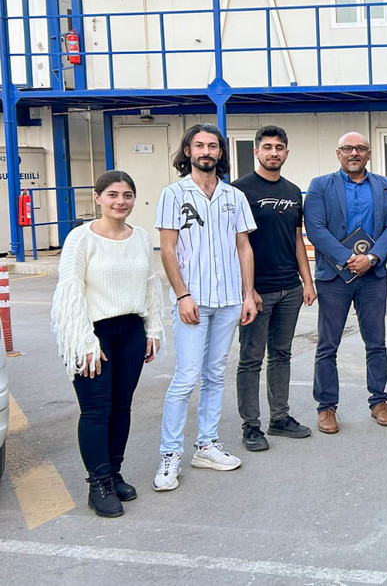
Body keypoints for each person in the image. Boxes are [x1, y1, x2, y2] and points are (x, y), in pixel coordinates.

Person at [51, 171, 163, 517]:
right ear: (98, 197)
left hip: (131, 330)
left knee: (121, 406)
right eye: (112, 194)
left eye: (127, 195)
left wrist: (152, 328)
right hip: (93, 333)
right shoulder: (80, 238)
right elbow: (70, 292)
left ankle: (114, 473)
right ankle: (98, 484)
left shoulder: (140, 237)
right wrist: (85, 341)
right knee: (96, 410)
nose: (120, 202)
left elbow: (149, 284)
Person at [154, 124, 257, 492]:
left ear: (220, 152)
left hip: (229, 300)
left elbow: (243, 247)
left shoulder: (234, 196)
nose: (206, 151)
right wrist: (182, 295)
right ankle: (169, 454)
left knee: (215, 373)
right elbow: (168, 249)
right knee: (186, 377)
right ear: (187, 151)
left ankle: (206, 445)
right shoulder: (173, 194)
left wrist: (248, 295)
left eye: (212, 146)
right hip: (193, 300)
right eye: (199, 145)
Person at [304, 132, 387, 434]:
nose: (354, 153)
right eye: (348, 148)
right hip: (334, 277)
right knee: (327, 345)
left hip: (372, 277)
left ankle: (379, 401)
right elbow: (315, 228)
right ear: (338, 153)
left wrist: (371, 258)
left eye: (360, 148)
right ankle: (326, 406)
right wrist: (348, 258)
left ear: (369, 154)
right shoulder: (320, 185)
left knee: (376, 343)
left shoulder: (385, 185)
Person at [231, 126, 315, 452]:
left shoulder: (293, 192)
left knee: (281, 354)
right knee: (251, 359)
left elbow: (296, 240)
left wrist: (307, 281)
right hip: (257, 292)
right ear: (256, 151)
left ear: (286, 153)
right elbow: (236, 244)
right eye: (267, 147)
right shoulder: (239, 191)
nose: (273, 152)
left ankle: (279, 418)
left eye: (279, 147)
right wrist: (247, 290)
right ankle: (250, 426)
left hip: (289, 288)